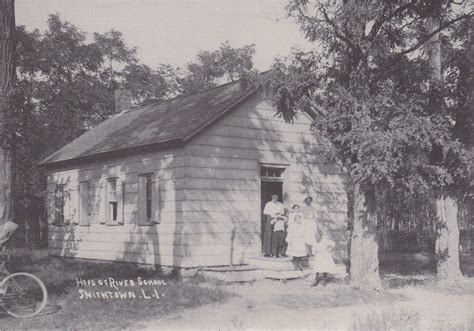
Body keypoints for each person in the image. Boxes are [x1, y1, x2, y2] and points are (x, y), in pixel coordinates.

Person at [285, 204, 307, 270]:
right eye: (298, 219)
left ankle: (300, 264)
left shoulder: (302, 226)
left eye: (300, 219)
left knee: (300, 252)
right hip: (294, 239)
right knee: (295, 252)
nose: (299, 220)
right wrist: (290, 239)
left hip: (300, 239)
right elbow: (290, 233)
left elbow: (304, 232)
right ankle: (295, 264)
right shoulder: (292, 226)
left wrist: (304, 238)